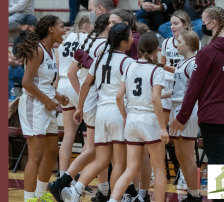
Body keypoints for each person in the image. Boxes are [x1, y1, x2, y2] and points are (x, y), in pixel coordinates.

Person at [169, 6, 224, 202]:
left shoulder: (207, 52)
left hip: (215, 116)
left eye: (203, 22)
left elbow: (193, 89)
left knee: (217, 166)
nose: (201, 26)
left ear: (212, 23)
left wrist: (181, 117)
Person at [61, 23, 134, 202]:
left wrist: (80, 107)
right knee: (118, 162)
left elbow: (85, 83)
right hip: (117, 113)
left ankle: (75, 191)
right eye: (131, 36)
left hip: (101, 112)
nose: (133, 39)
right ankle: (114, 199)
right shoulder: (128, 62)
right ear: (124, 42)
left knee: (101, 160)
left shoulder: (101, 58)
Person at [48, 12, 106, 202]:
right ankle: (75, 179)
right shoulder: (89, 38)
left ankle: (63, 175)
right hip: (78, 85)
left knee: (68, 136)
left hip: (63, 83)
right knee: (91, 140)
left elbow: (58, 66)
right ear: (87, 25)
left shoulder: (65, 39)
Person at [107, 31, 168, 202]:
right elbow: (156, 98)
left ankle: (113, 200)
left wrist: (125, 116)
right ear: (157, 49)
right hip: (149, 120)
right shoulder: (157, 70)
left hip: (132, 118)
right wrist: (163, 127)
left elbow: (119, 96)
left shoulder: (129, 66)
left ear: (139, 49)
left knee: (130, 169)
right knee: (159, 170)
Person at [14, 15, 68, 202]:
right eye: (62, 26)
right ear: (51, 29)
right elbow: (27, 83)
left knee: (52, 152)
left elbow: (45, 82)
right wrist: (47, 100)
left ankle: (40, 194)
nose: (65, 30)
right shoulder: (37, 51)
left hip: (46, 103)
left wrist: (57, 96)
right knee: (35, 155)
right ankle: (29, 199)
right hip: (33, 105)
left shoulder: (52, 51)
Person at [162, 30, 201, 201]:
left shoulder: (194, 64)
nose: (176, 45)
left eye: (179, 42)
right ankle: (191, 193)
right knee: (179, 154)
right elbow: (177, 90)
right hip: (176, 108)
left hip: (187, 111)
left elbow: (194, 92)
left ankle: (195, 194)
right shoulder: (182, 63)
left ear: (189, 44)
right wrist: (157, 95)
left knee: (187, 155)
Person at [9, 14, 37, 102]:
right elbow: (16, 57)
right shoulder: (19, 38)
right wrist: (13, 60)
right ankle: (11, 99)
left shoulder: (40, 40)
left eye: (22, 25)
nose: (20, 27)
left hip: (35, 74)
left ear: (31, 27)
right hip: (21, 70)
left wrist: (20, 60)